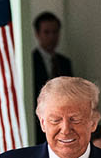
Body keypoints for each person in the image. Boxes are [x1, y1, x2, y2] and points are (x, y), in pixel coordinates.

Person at [31, 12, 73, 144]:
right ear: (38, 34)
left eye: (55, 32)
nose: (52, 37)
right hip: (38, 125)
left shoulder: (64, 62)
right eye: (47, 32)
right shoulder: (30, 61)